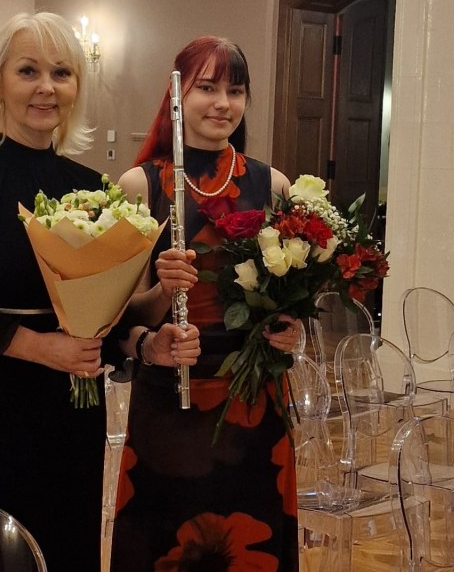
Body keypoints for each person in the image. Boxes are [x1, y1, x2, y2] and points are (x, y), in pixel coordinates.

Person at [0, 12, 198, 570]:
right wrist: (40, 348)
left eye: (61, 73)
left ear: (76, 88)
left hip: (67, 414)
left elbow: (107, 318)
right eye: (28, 71)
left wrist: (148, 337)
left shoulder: (89, 186)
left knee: (63, 547)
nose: (46, 87)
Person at [110, 36, 303, 570]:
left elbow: (285, 300)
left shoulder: (274, 184)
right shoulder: (139, 185)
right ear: (177, 96)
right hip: (172, 398)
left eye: (235, 91)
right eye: (207, 88)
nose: (222, 103)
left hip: (254, 400)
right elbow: (118, 317)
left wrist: (291, 327)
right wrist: (162, 293)